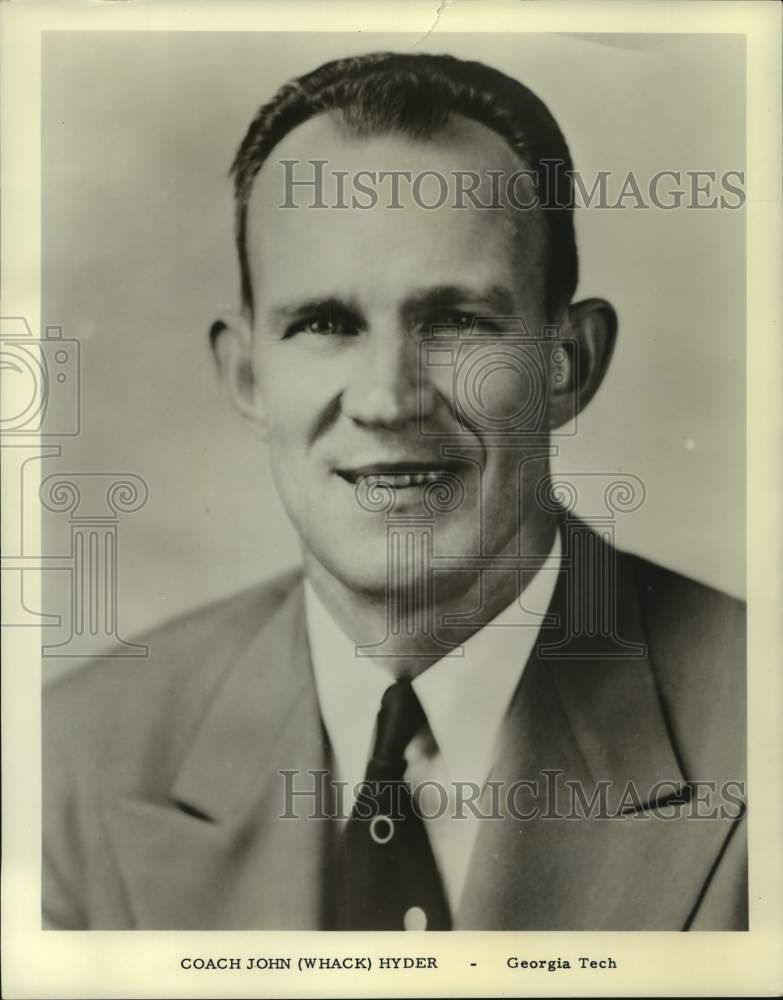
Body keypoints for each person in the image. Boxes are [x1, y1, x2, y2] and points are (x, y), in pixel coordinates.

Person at [43, 51, 746, 931]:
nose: (387, 398)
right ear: (248, 375)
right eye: (326, 324)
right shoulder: (67, 762)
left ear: (568, 365)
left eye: (456, 321)